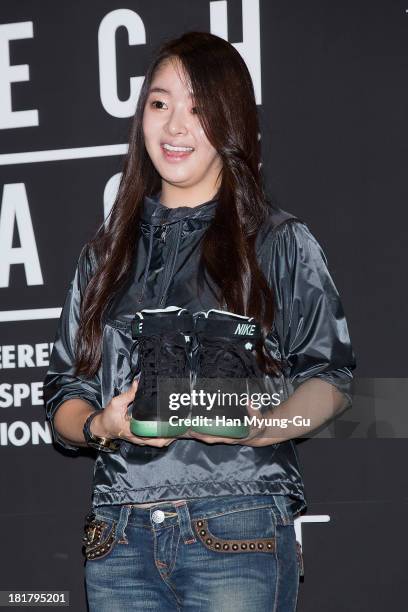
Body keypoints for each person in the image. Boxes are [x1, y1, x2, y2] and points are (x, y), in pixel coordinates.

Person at [43, 31, 356, 612]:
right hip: (117, 536)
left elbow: (330, 378)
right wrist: (102, 425)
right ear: (141, 119)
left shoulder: (278, 240)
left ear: (231, 120)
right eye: (160, 104)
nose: (176, 126)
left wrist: (252, 426)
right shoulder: (104, 254)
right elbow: (65, 391)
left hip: (237, 521)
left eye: (198, 108)